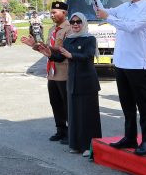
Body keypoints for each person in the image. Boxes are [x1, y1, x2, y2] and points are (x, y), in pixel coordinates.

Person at [89, 0, 146, 156]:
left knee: (143, 105)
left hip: (136, 64)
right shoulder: (125, 6)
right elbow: (103, 13)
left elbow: (132, 27)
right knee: (126, 104)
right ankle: (130, 137)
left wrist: (108, 17)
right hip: (121, 62)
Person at [37, 12, 102, 157]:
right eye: (73, 22)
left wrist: (71, 55)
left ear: (84, 23)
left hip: (87, 82)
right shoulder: (69, 40)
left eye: (79, 22)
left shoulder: (89, 38)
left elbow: (88, 56)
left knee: (88, 116)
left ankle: (89, 146)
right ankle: (76, 144)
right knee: (74, 115)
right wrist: (49, 54)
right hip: (72, 81)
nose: (75, 25)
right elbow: (60, 58)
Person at [22, 1, 71, 143]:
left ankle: (70, 131)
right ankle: (60, 130)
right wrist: (35, 45)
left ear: (64, 13)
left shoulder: (69, 29)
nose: (52, 15)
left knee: (66, 103)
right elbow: (47, 50)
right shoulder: (51, 30)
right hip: (52, 72)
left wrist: (47, 48)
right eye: (51, 13)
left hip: (64, 71)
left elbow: (61, 50)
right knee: (55, 102)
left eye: (55, 12)